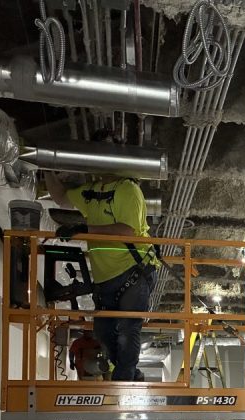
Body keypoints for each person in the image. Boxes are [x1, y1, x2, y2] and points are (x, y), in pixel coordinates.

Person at [43, 129, 159, 382]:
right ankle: (129, 372)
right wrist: (46, 167)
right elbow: (62, 198)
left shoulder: (128, 189)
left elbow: (126, 231)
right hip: (106, 278)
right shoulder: (92, 192)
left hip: (133, 269)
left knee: (128, 328)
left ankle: (126, 379)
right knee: (104, 331)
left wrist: (84, 229)